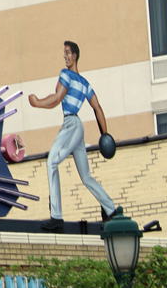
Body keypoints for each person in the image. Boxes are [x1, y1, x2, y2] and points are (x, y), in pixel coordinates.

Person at [28, 41, 115, 232]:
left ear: (74, 55)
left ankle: (56, 216)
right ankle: (112, 210)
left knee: (51, 162)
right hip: (79, 127)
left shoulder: (66, 74)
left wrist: (37, 103)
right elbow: (97, 107)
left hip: (71, 124)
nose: (65, 56)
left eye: (67, 52)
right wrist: (105, 134)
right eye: (64, 53)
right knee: (86, 176)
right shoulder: (85, 83)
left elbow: (57, 98)